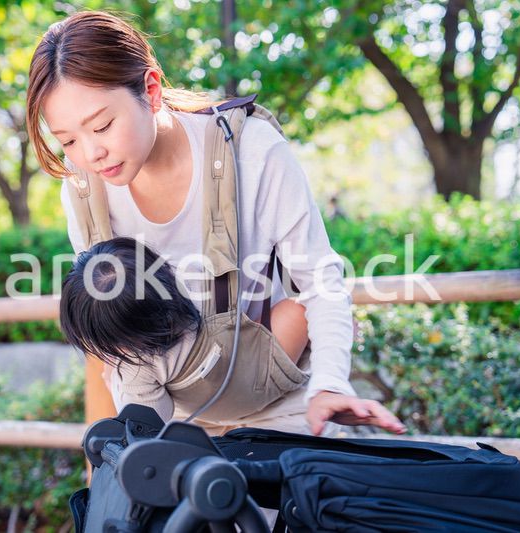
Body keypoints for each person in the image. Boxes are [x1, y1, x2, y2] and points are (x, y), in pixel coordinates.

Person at [27, 10, 405, 436]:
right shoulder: (83, 191)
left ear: (150, 90)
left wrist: (331, 385)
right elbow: (113, 343)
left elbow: (321, 280)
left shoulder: (250, 151)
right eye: (68, 141)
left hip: (279, 408)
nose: (91, 154)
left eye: (103, 125)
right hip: (171, 421)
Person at [59, 237, 317, 425]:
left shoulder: (135, 369)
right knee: (297, 312)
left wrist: (114, 381)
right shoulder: (195, 292)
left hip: (215, 409)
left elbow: (149, 420)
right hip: (264, 377)